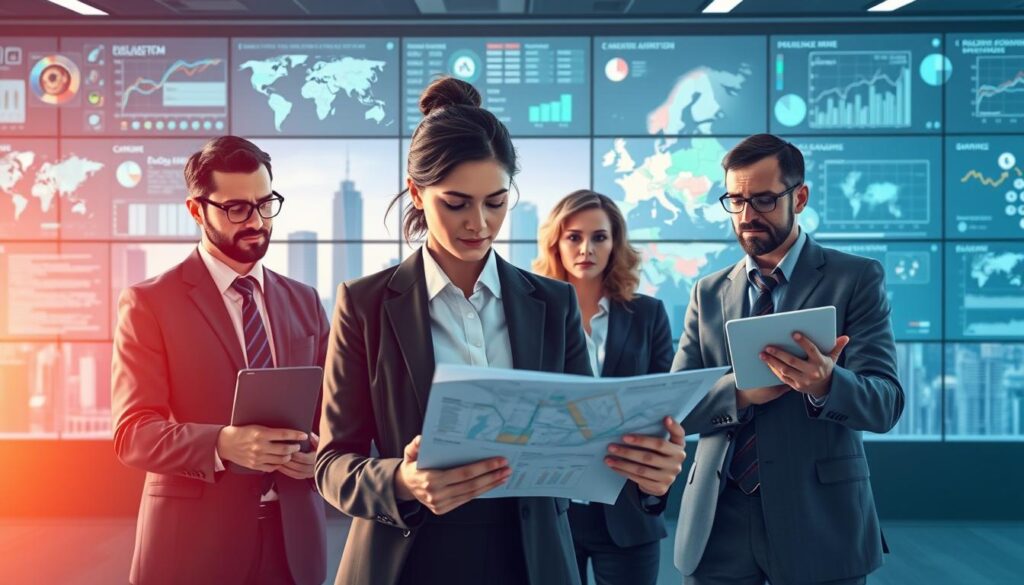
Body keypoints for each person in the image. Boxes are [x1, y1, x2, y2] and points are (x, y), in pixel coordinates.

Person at [315, 78, 684, 585]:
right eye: (457, 202)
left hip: (530, 556)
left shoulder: (552, 303)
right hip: (408, 555)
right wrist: (401, 479)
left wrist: (649, 477)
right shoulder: (365, 303)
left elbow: (586, 442)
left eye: (496, 201)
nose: (480, 223)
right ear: (417, 193)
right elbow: (333, 463)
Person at [672, 133, 904, 585]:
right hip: (719, 524)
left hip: (819, 521)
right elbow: (680, 405)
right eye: (735, 201)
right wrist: (739, 394)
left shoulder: (854, 279)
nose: (746, 216)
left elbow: (886, 404)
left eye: (762, 200)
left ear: (799, 197)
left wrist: (826, 383)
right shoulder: (708, 291)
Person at [111, 136, 329, 585]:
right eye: (237, 209)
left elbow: (335, 413)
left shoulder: (305, 301)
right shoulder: (150, 303)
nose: (256, 221)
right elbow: (132, 434)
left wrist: (322, 454)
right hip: (193, 549)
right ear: (196, 210)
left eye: (265, 203)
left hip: (295, 545)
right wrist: (223, 444)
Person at [534, 189, 680, 585]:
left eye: (599, 237)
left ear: (615, 243)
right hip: (553, 509)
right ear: (556, 243)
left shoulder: (647, 314)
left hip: (627, 508)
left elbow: (663, 404)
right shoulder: (533, 316)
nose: (586, 248)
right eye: (574, 237)